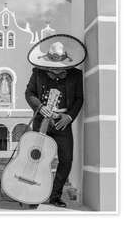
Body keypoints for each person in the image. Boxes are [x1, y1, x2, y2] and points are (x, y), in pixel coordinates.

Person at [25, 36, 86, 207]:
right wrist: (39, 106)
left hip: (62, 123)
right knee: (36, 158)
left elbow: (79, 99)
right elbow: (29, 93)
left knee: (66, 159)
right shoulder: (37, 72)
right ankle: (33, 195)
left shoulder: (76, 75)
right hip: (41, 121)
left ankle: (55, 195)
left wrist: (69, 116)